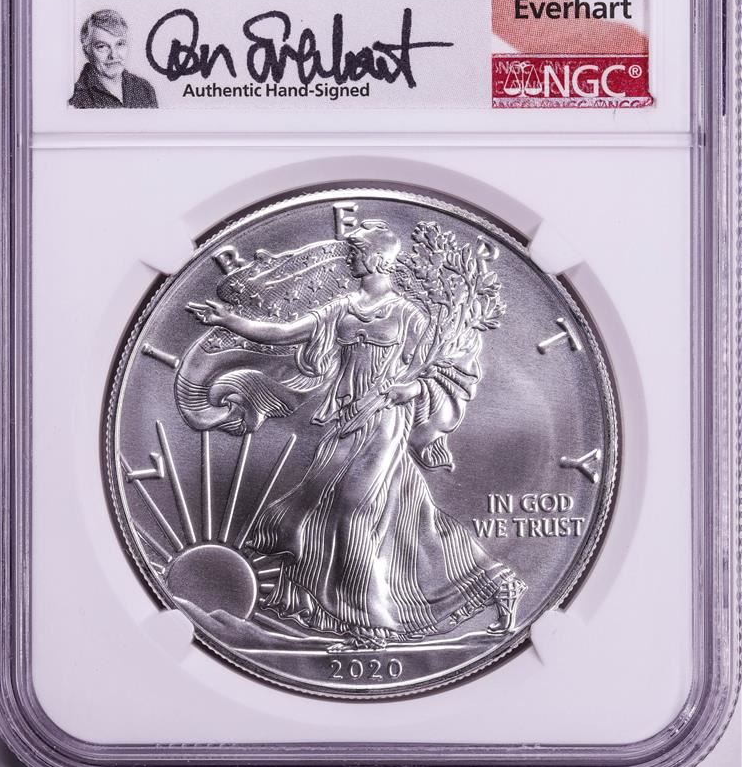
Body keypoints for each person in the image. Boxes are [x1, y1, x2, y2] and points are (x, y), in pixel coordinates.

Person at [188, 220, 526, 648]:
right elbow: (286, 333)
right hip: (344, 422)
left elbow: (444, 369)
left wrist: (409, 389)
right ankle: (498, 585)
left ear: (378, 259)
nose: (350, 257)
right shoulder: (343, 308)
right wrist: (231, 320)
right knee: (397, 517)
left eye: (356, 251)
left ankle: (370, 626)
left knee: (353, 512)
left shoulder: (408, 315)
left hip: (384, 420)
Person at [69, 10, 157, 109]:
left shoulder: (144, 89)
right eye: (102, 46)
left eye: (120, 44)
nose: (113, 55)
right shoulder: (76, 99)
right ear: (87, 52)